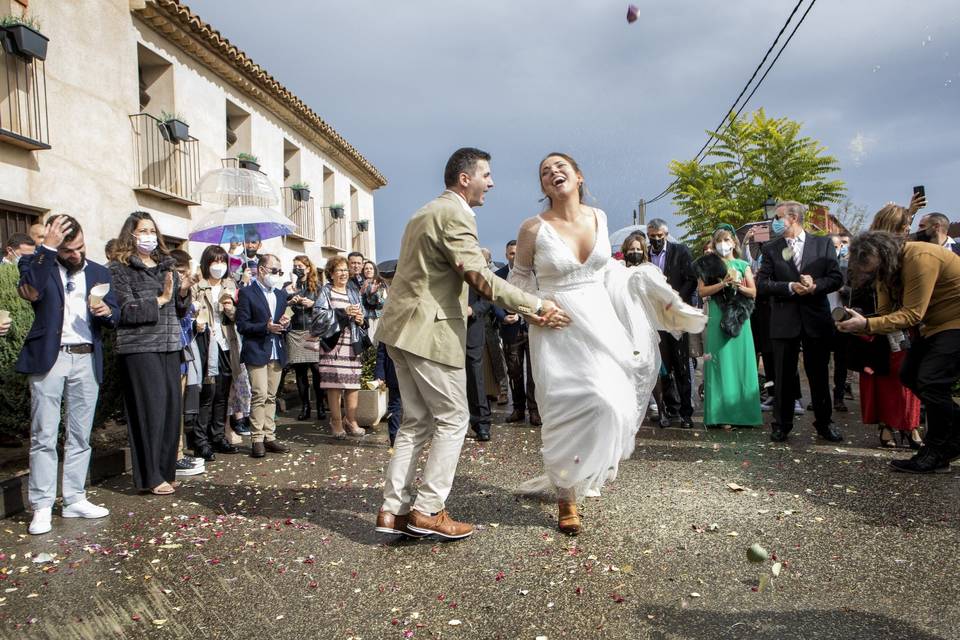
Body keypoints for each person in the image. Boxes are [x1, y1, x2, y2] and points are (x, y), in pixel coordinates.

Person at [373, 147, 563, 541]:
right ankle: (427, 509)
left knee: (415, 422)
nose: (491, 183)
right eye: (486, 175)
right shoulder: (455, 213)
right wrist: (536, 304)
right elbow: (479, 277)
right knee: (455, 418)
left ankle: (393, 510)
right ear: (465, 178)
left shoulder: (422, 211)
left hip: (400, 330)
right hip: (429, 331)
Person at [511, 152, 705, 535]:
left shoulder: (598, 219)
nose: (553, 174)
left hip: (599, 321)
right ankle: (567, 497)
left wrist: (646, 286)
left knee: (611, 402)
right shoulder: (532, 229)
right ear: (543, 186)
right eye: (545, 172)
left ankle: (580, 472)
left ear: (579, 176)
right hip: (556, 325)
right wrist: (535, 310)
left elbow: (609, 272)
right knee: (563, 407)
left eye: (560, 167)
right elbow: (517, 280)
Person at [16, 215, 118, 535]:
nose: (77, 255)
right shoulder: (38, 263)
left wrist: (107, 312)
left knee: (79, 434)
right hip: (51, 358)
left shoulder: (99, 272)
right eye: (69, 250)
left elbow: (115, 315)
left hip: (87, 358)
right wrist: (46, 248)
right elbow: (30, 290)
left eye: (81, 247)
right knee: (45, 434)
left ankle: (74, 497)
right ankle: (43, 505)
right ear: (57, 247)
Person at [837, 230, 960, 472]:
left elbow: (913, 314)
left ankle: (936, 450)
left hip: (954, 322)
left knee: (932, 382)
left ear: (884, 254)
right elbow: (885, 314)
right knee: (910, 375)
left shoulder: (920, 257)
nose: (873, 275)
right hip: (934, 327)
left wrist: (867, 324)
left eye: (873, 269)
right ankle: (950, 439)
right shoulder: (886, 269)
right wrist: (859, 321)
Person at [110, 211, 192, 495]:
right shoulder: (119, 269)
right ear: (130, 234)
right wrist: (161, 299)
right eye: (143, 230)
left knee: (170, 411)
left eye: (152, 230)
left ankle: (166, 471)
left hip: (170, 344)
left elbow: (179, 311)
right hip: (140, 347)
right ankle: (149, 475)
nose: (149, 236)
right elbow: (124, 310)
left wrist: (181, 294)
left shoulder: (165, 265)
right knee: (150, 412)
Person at [757, 201, 843, 443]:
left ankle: (824, 423)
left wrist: (815, 286)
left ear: (793, 218)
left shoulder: (822, 243)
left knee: (818, 374)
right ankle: (781, 424)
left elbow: (836, 278)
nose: (774, 221)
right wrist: (790, 287)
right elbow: (762, 284)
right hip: (785, 320)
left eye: (778, 217)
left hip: (815, 318)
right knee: (783, 376)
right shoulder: (771, 249)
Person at [848, 205, 923, 448]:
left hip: (904, 323)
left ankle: (911, 426)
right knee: (880, 377)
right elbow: (856, 289)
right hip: (873, 323)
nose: (907, 231)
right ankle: (886, 425)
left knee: (907, 376)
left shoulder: (907, 252)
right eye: (904, 226)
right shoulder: (866, 251)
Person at [695, 227, 761, 430]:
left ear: (734, 243)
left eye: (726, 240)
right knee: (719, 363)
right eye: (719, 241)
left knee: (742, 363)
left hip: (740, 318)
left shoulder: (743, 265)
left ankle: (744, 413)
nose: (723, 244)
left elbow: (753, 292)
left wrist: (739, 286)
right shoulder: (706, 264)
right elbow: (702, 291)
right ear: (714, 244)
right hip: (717, 318)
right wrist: (723, 284)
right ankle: (720, 414)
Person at [236, 253, 291, 458]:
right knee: (259, 394)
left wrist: (285, 323)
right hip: (257, 349)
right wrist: (265, 327)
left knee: (271, 395)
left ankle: (270, 436)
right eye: (274, 271)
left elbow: (285, 320)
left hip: (276, 349)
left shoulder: (280, 294)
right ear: (261, 270)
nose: (277, 275)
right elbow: (242, 325)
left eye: (280, 271)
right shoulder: (247, 293)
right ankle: (256, 438)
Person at [646, 218, 697, 428]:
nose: (656, 240)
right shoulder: (646, 255)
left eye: (659, 236)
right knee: (663, 366)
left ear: (666, 235)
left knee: (681, 365)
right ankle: (669, 409)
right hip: (656, 318)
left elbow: (691, 279)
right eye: (652, 237)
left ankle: (686, 413)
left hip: (675, 315)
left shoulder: (680, 251)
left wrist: (675, 299)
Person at [193, 245, 242, 457]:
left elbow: (238, 317)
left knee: (223, 394)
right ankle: (201, 441)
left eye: (222, 262)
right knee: (207, 393)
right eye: (215, 262)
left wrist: (231, 308)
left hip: (225, 344)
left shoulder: (229, 285)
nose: (219, 266)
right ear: (206, 263)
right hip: (205, 344)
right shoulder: (198, 285)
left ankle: (218, 435)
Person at [312, 256, 366, 439]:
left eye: (345, 270)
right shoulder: (325, 291)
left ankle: (351, 420)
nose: (343, 273)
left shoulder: (353, 291)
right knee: (333, 385)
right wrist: (343, 312)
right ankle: (335, 422)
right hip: (332, 344)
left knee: (353, 384)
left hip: (352, 343)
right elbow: (318, 316)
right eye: (339, 270)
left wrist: (360, 319)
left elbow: (363, 315)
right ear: (331, 274)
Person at [494, 240, 540, 425]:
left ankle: (535, 410)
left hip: (532, 329)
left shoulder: (536, 274)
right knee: (514, 372)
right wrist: (503, 316)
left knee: (534, 372)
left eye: (517, 253)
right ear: (507, 255)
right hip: (511, 330)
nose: (515, 256)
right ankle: (518, 409)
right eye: (512, 253)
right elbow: (494, 301)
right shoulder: (499, 275)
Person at [285, 255, 325, 422]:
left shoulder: (318, 287)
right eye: (295, 266)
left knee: (316, 370)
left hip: (312, 330)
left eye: (300, 266)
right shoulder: (289, 286)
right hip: (295, 331)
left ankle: (320, 406)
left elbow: (325, 309)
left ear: (308, 268)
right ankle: (305, 406)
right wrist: (289, 300)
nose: (297, 269)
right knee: (300, 372)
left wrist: (312, 304)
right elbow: (281, 306)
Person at [465, 286, 492, 441]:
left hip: (472, 329)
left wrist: (472, 309)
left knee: (476, 379)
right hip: (447, 330)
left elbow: (488, 298)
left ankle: (481, 424)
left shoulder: (477, 268)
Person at [373, 341, 402, 447]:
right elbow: (381, 354)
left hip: (412, 374)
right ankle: (394, 439)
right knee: (395, 407)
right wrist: (380, 375)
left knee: (411, 409)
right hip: (395, 374)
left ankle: (399, 440)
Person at [359, 259, 387, 341]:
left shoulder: (381, 284)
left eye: (371, 268)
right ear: (363, 271)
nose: (368, 270)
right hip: (366, 317)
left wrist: (375, 294)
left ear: (374, 270)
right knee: (369, 341)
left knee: (379, 341)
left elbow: (383, 303)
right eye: (366, 268)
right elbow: (361, 301)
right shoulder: (360, 284)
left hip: (379, 316)